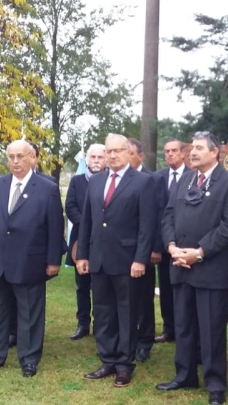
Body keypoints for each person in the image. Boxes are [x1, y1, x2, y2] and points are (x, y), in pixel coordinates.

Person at [155, 131, 228, 405]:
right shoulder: (185, 179)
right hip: (180, 265)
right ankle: (184, 375)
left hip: (209, 270)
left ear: (214, 152)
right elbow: (168, 214)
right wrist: (171, 246)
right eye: (190, 148)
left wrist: (199, 252)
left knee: (211, 330)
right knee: (183, 326)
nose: (192, 152)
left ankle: (215, 384)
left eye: (197, 148)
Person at [0, 140, 64, 378]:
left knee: (29, 313)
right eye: (11, 156)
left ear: (32, 158)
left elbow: (55, 226)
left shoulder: (47, 188)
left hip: (30, 261)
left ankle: (28, 359)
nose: (15, 161)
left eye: (20, 156)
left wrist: (53, 260)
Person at [76, 133, 157, 387]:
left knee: (126, 313)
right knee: (102, 312)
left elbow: (147, 225)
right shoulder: (96, 181)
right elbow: (87, 222)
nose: (111, 156)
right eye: (108, 151)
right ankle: (107, 360)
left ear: (128, 152)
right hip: (98, 260)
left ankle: (124, 364)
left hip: (127, 261)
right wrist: (83, 255)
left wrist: (140, 259)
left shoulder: (143, 182)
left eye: (117, 151)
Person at [128, 137, 166, 362]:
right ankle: (127, 339)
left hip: (144, 249)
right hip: (121, 250)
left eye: (130, 153)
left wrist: (155, 247)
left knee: (143, 298)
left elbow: (158, 215)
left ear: (140, 155)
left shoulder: (153, 179)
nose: (126, 156)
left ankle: (145, 341)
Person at [65, 143, 106, 341]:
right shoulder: (76, 181)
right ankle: (83, 324)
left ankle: (101, 324)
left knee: (100, 285)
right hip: (80, 240)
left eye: (100, 157)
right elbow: (70, 206)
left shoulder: (110, 181)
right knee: (82, 285)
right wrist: (87, 224)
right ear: (87, 159)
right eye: (93, 157)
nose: (96, 161)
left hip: (103, 241)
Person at [154, 138, 190, 344]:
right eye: (166, 151)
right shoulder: (158, 177)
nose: (170, 154)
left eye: (174, 151)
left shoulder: (191, 176)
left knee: (183, 289)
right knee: (166, 288)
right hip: (164, 243)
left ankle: (183, 327)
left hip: (185, 244)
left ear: (183, 153)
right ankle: (169, 329)